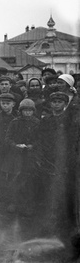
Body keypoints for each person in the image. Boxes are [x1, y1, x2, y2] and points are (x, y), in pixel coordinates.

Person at [35, 91, 78, 243]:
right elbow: (39, 140)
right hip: (48, 161)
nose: (56, 104)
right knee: (48, 194)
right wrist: (40, 157)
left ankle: (65, 228)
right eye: (54, 101)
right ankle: (49, 228)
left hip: (65, 162)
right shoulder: (46, 120)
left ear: (65, 104)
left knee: (64, 196)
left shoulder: (70, 121)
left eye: (60, 101)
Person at [4, 99, 40, 215]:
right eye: (25, 110)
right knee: (15, 177)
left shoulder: (37, 123)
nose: (27, 113)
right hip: (17, 155)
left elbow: (40, 139)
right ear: (21, 111)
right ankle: (13, 202)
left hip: (30, 155)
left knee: (29, 180)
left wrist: (32, 146)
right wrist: (15, 145)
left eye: (30, 110)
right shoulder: (15, 122)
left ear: (33, 111)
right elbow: (8, 138)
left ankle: (28, 204)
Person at [0, 93, 17, 203]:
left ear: (13, 104)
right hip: (0, 148)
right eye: (3, 103)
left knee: (11, 170)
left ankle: (10, 193)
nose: (5, 106)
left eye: (8, 103)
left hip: (12, 148)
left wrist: (12, 142)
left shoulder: (16, 117)